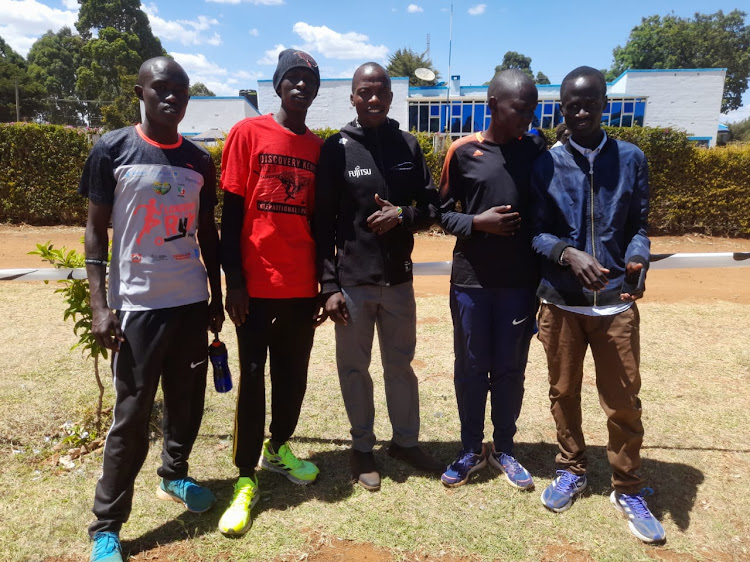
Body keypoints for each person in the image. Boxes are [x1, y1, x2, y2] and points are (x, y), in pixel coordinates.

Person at [80, 57, 224, 562]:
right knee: (133, 416)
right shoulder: (112, 148)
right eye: (160, 88)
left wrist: (216, 296)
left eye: (180, 90)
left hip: (189, 300)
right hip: (137, 306)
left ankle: (176, 476)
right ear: (140, 91)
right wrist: (101, 305)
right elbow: (97, 231)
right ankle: (107, 525)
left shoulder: (199, 160)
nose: (171, 98)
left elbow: (207, 232)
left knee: (187, 402)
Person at [530, 66, 666, 543]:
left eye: (590, 103)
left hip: (614, 305)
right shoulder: (546, 162)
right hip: (561, 304)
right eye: (572, 105)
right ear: (560, 107)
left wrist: (636, 257)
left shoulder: (631, 158)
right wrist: (566, 253)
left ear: (605, 104)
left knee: (623, 401)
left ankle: (627, 486)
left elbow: (640, 226)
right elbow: (534, 232)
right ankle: (571, 468)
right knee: (563, 393)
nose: (581, 112)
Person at [315, 62, 442, 491]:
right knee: (354, 368)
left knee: (400, 365)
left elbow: (431, 208)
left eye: (381, 92)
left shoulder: (407, 145)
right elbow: (323, 222)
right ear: (352, 97)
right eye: (364, 91)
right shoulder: (337, 148)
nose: (373, 98)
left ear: (391, 97)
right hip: (352, 282)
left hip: (399, 281)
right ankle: (362, 447)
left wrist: (402, 214)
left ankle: (405, 442)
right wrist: (328, 285)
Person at [217, 49, 323, 536]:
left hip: (301, 285)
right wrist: (233, 282)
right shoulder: (247, 133)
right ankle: (244, 477)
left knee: (293, 374)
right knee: (254, 377)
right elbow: (231, 214)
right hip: (255, 286)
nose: (300, 86)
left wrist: (325, 284)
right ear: (278, 86)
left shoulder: (319, 148)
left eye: (308, 80)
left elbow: (321, 223)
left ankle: (278, 447)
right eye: (292, 79)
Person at [437, 69, 545, 489]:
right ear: (492, 105)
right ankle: (469, 448)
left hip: (519, 284)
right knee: (471, 366)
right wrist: (478, 223)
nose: (528, 118)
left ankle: (504, 449)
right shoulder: (463, 151)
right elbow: (442, 213)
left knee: (510, 369)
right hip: (471, 282)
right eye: (520, 109)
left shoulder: (536, 148)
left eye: (533, 110)